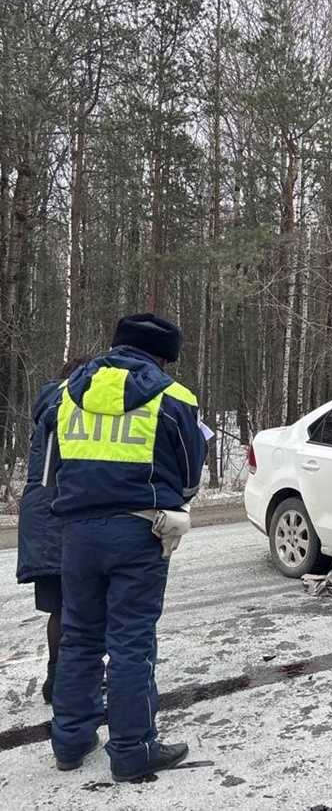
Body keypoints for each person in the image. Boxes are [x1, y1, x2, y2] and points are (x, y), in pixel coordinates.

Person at [43, 313, 209, 781]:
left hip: (75, 531)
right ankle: (133, 750)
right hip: (139, 530)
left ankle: (70, 741)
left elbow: (49, 460)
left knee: (78, 636)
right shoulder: (173, 397)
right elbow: (191, 477)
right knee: (132, 643)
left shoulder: (67, 392)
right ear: (163, 357)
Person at [15, 357, 89, 703]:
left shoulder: (48, 402)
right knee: (79, 607)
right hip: (61, 512)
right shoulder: (73, 406)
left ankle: (56, 678)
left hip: (37, 512)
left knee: (60, 608)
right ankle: (70, 684)